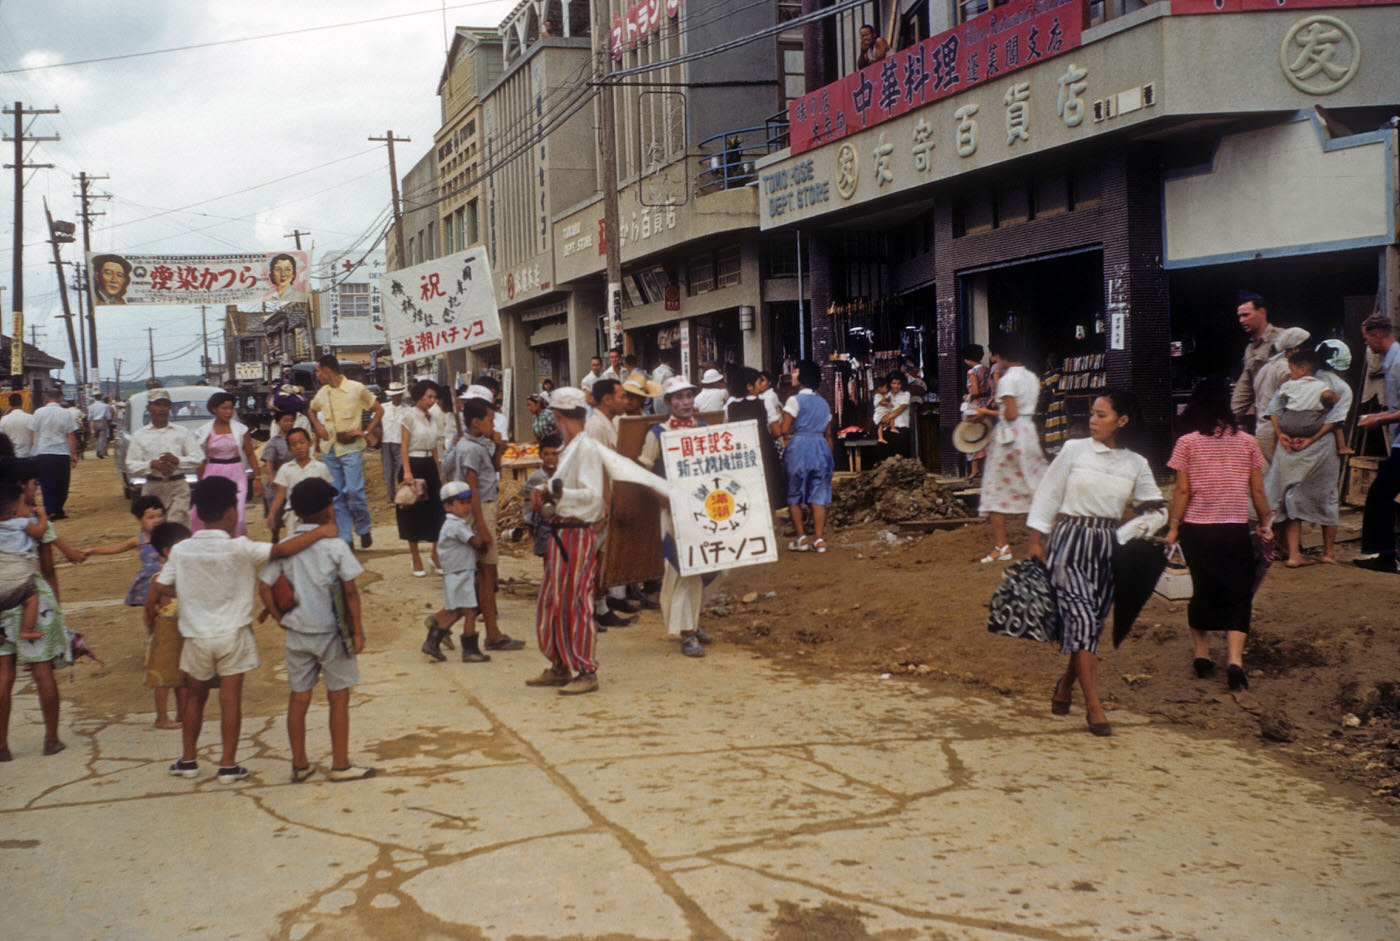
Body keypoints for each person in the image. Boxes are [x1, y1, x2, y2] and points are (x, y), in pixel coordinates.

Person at [151, 476, 339, 784]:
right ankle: (227, 764)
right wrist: (322, 531)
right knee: (230, 698)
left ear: (197, 512)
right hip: (233, 634)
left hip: (196, 634)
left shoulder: (182, 550)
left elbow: (161, 585)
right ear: (230, 512)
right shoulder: (240, 547)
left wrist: (189, 593)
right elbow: (282, 550)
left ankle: (188, 760)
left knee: (193, 698)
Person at [1028, 391, 1164, 737]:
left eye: (1101, 415)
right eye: (1091, 413)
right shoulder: (1074, 451)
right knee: (1083, 619)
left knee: (1090, 627)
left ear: (1122, 421)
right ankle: (1094, 707)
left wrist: (1132, 530)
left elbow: (1157, 509)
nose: (1092, 420)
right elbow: (1048, 493)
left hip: (1107, 546)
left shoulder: (1136, 463)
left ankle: (1065, 686)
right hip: (1070, 540)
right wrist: (1035, 541)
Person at [527, 387, 675, 693]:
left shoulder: (586, 449)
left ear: (557, 416)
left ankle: (585, 669)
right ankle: (559, 664)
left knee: (575, 603)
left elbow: (593, 499)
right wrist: (547, 496)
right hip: (562, 531)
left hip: (575, 534)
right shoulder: (572, 450)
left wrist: (555, 494)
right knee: (554, 602)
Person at [258, 478, 374, 783]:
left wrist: (277, 617)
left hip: (297, 633)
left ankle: (300, 763)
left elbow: (264, 585)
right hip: (332, 633)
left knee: (299, 697)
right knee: (338, 697)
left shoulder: (284, 549)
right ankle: (340, 764)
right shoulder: (335, 546)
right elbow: (350, 592)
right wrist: (358, 632)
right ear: (327, 510)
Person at [1165, 378, 1272, 692]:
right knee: (1238, 593)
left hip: (1197, 530)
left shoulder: (1186, 443)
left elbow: (1183, 490)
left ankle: (1201, 655)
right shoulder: (1248, 442)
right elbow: (1257, 489)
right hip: (1234, 528)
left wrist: (1173, 527)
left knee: (1202, 589)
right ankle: (1235, 662)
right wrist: (1265, 521)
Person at [0, 457, 83, 760]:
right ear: (23, 486)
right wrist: (57, 609)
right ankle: (50, 739)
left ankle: (2, 745)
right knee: (42, 671)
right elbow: (48, 569)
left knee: (3, 674)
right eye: (34, 483)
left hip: (1, 605)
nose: (37, 488)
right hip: (33, 600)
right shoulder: (33, 521)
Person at [81, 495, 184, 727]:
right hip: (152, 592)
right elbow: (115, 548)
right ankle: (155, 649)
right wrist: (93, 550)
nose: (156, 520)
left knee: (170, 646)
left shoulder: (171, 539)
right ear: (139, 520)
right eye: (151, 517)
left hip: (167, 597)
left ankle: (157, 651)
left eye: (160, 515)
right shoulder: (140, 540)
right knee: (155, 628)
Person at [446, 397, 525, 653]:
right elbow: (472, 488)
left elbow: (491, 471)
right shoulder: (469, 448)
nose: (493, 423)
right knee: (486, 574)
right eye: (490, 420)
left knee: (485, 575)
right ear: (476, 422)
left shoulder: (480, 444)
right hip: (481, 511)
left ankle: (486, 630)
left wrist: (499, 448)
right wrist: (480, 525)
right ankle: (487, 632)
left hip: (486, 509)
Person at [1262, 348, 1352, 567]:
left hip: (1306, 446)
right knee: (1309, 497)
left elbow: (1275, 410)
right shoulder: (1317, 384)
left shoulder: (1318, 385)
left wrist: (1286, 435)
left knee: (1294, 497)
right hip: (1301, 445)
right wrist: (1284, 435)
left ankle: (1295, 554)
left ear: (1302, 366)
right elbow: (1336, 416)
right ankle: (1322, 554)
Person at [972, 341, 1048, 562]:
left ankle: (1002, 546)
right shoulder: (1032, 378)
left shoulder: (1007, 380)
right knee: (1037, 486)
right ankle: (1043, 539)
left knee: (994, 490)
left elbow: (1011, 414)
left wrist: (984, 412)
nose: (994, 362)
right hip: (1029, 434)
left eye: (995, 357)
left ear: (1001, 356)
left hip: (1009, 438)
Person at [309, 355, 383, 548]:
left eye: (318, 371)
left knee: (354, 491)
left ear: (327, 370)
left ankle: (363, 528)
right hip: (329, 449)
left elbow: (379, 409)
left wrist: (365, 431)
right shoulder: (322, 393)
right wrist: (318, 426)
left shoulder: (356, 388)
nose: (317, 375)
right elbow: (311, 410)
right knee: (336, 495)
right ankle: (346, 538)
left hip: (351, 448)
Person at [420, 480, 489, 663]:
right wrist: (481, 536)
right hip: (460, 574)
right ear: (448, 506)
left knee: (457, 612)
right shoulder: (456, 526)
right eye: (461, 503)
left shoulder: (455, 523)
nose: (466, 507)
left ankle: (432, 642)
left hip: (456, 574)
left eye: (468, 502)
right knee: (471, 612)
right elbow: (477, 543)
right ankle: (470, 651)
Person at [1354, 313, 1400, 573]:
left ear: (1377, 335)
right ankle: (1384, 553)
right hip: (1398, 440)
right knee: (1381, 494)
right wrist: (1378, 416)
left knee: (1380, 494)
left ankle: (1385, 555)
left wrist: (1378, 421)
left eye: (1366, 339)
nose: (1366, 344)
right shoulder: (1391, 360)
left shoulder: (1397, 363)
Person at [780, 360, 835, 554]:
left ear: (802, 376)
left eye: (796, 371)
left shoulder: (793, 400)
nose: (793, 374)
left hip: (800, 447)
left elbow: (784, 429)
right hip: (821, 447)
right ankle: (819, 540)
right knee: (819, 495)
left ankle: (801, 538)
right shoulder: (824, 403)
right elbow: (829, 435)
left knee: (794, 493)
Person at [126, 388, 201, 528]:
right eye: (157, 405)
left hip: (178, 486)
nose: (161, 409)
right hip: (152, 487)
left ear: (170, 407)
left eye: (165, 405)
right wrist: (152, 465)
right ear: (149, 408)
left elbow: (198, 458)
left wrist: (177, 460)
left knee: (177, 525)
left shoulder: (182, 432)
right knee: (154, 529)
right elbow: (130, 464)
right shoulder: (140, 435)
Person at [194, 392, 262, 537]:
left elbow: (250, 453)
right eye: (224, 408)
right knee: (213, 514)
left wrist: (257, 478)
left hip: (236, 473)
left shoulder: (241, 429)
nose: (228, 412)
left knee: (239, 516)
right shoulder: (204, 431)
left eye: (231, 408)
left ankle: (237, 544)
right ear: (214, 409)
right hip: (213, 474)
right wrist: (200, 484)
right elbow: (201, 460)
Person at [398, 380, 446, 578]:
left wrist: (439, 471)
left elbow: (434, 446)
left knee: (438, 511)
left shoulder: (434, 418)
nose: (432, 400)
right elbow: (403, 446)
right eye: (429, 396)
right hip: (413, 465)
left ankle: (435, 556)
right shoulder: (408, 417)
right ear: (419, 396)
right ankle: (415, 557)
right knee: (413, 512)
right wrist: (407, 472)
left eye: (434, 397)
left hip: (430, 465)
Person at [725, 366, 785, 512]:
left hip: (742, 454)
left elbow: (726, 430)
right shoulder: (764, 402)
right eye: (758, 383)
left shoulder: (729, 405)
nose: (760, 388)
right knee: (770, 488)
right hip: (764, 451)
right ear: (749, 386)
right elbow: (777, 432)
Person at [1250, 327, 1311, 462]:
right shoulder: (1287, 369)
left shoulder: (1267, 367)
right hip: (1276, 435)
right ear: (1295, 349)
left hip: (1262, 431)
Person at [1231, 291, 1284, 431]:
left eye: (1246, 315)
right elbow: (1246, 384)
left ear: (1262, 312)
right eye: (1239, 316)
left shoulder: (1283, 338)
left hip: (1285, 417)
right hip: (1264, 419)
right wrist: (1232, 417)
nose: (1241, 320)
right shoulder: (1250, 348)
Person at [265, 428, 333, 534]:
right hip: (293, 515)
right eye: (294, 444)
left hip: (316, 516)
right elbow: (281, 493)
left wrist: (331, 516)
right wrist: (272, 513)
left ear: (310, 443)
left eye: (302, 442)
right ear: (289, 448)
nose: (299, 447)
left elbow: (328, 495)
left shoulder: (320, 467)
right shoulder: (286, 468)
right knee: (295, 544)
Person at [0, 482, 45, 644]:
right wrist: (42, 516)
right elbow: (39, 531)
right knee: (31, 598)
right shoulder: (21, 523)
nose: (29, 508)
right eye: (25, 504)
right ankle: (27, 630)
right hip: (18, 577)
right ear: (14, 512)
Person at [29, 388, 77, 520]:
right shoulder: (66, 413)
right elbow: (70, 435)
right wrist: (73, 454)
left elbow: (33, 433)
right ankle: (59, 509)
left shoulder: (38, 412)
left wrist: (33, 451)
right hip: (61, 453)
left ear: (46, 398)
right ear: (60, 397)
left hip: (43, 453)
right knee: (62, 483)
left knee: (46, 483)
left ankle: (50, 511)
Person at [521, 433, 561, 564]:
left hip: (562, 522)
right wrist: (530, 523)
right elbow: (527, 502)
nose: (550, 458)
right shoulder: (535, 477)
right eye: (547, 454)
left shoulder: (564, 475)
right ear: (540, 455)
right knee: (548, 559)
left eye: (554, 454)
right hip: (543, 524)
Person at [260, 411, 298, 541]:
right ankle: (275, 534)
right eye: (285, 420)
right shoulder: (273, 442)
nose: (289, 423)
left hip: (296, 474)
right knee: (276, 505)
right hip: (279, 476)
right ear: (278, 423)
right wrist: (271, 477)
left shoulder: (298, 438)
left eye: (291, 420)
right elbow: (269, 461)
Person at [379, 382, 408, 503]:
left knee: (401, 469)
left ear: (401, 395)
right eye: (394, 395)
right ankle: (391, 495)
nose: (396, 397)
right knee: (388, 469)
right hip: (386, 441)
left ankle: (403, 494)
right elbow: (375, 421)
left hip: (400, 442)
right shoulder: (383, 408)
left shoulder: (408, 409)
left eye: (398, 395)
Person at [877, 370, 912, 460]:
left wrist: (887, 417)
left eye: (898, 383)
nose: (896, 386)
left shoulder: (906, 394)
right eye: (893, 383)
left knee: (900, 458)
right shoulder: (886, 396)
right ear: (889, 384)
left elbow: (900, 409)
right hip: (887, 429)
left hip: (902, 429)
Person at [585, 378, 622, 450]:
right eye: (622, 397)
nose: (626, 401)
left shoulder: (607, 422)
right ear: (607, 400)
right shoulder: (596, 428)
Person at [87, 394, 114, 459]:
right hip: (102, 421)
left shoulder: (91, 406)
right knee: (103, 438)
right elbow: (108, 416)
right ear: (101, 397)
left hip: (95, 422)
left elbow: (89, 417)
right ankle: (101, 452)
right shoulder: (105, 406)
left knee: (97, 438)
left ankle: (97, 450)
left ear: (94, 398)